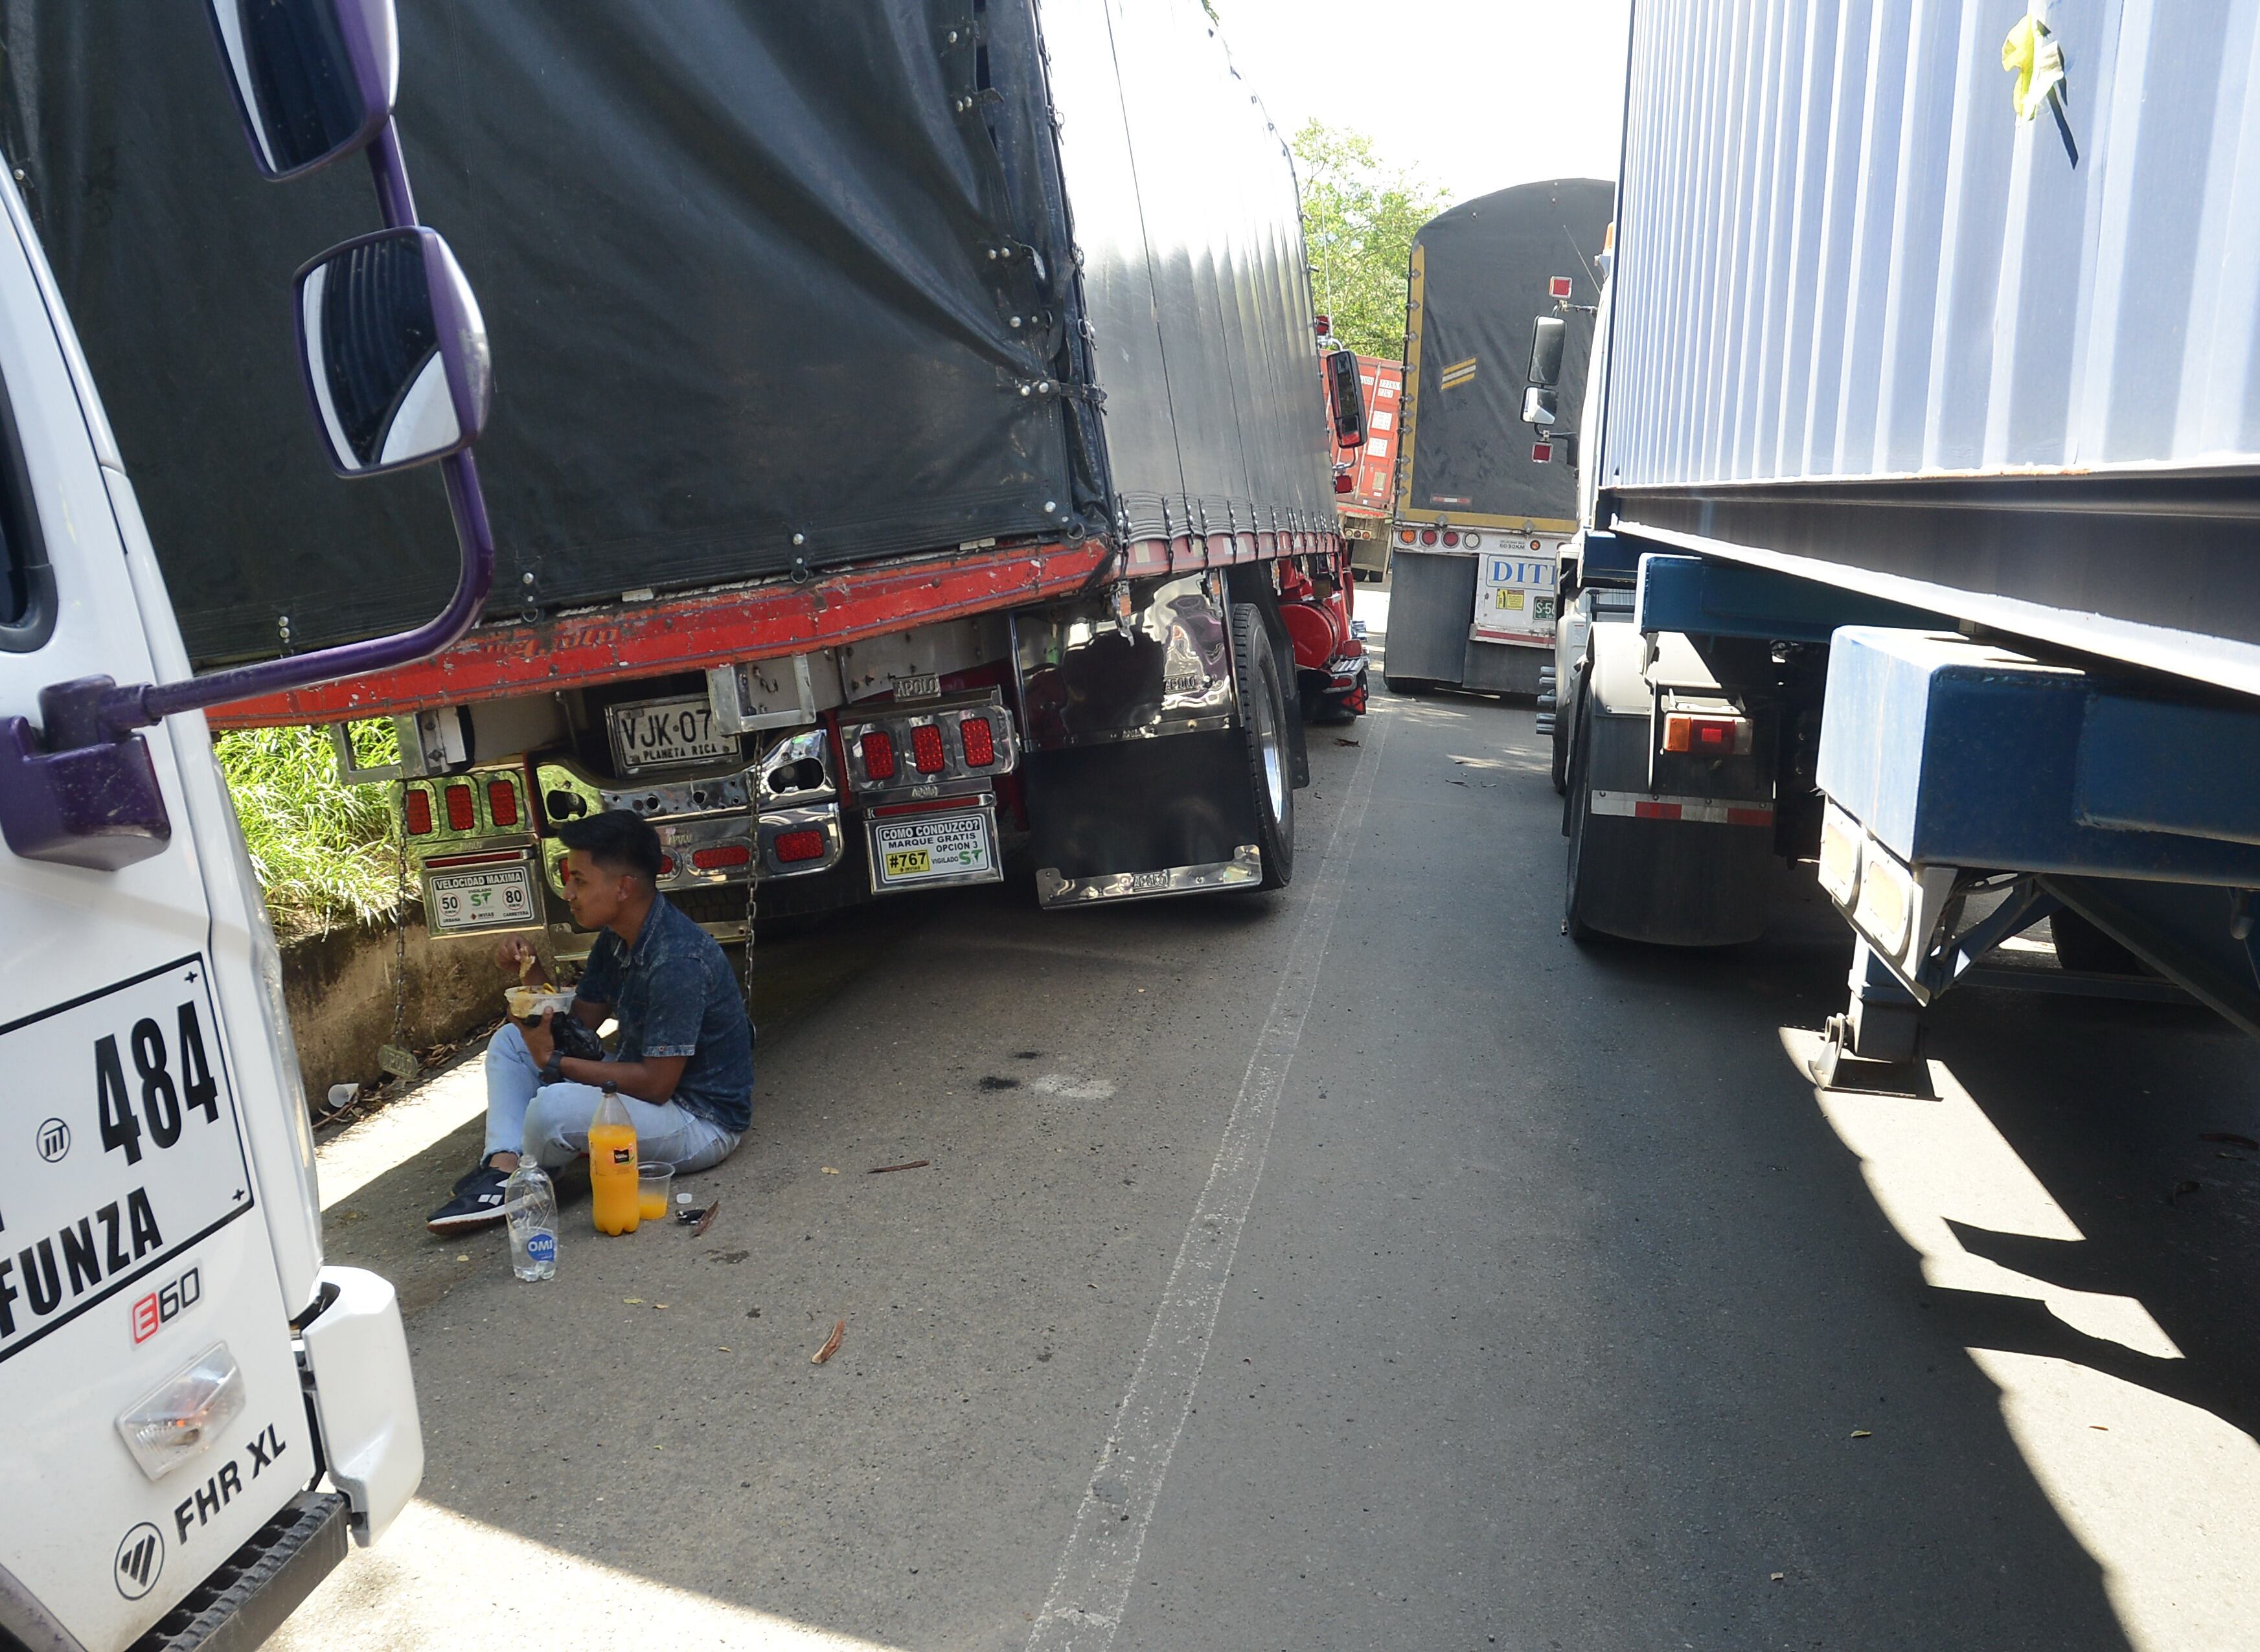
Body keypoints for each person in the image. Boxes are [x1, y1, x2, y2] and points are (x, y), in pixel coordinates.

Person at [426, 809, 754, 1232]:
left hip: (701, 1121)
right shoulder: (618, 936)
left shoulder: (677, 959)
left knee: (554, 1108)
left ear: (623, 888)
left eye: (579, 879)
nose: (568, 892)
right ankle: (506, 1164)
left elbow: (657, 1085)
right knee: (511, 1040)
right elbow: (577, 1026)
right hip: (654, 1100)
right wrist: (530, 974)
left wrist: (556, 1065)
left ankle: (516, 1182)